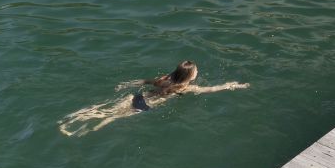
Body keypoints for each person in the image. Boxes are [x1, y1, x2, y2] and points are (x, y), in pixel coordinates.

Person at [58, 61, 249, 136]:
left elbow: (145, 80)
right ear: (190, 77)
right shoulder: (186, 88)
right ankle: (82, 130)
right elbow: (212, 89)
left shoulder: (164, 79)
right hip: (146, 106)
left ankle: (79, 115)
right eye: (196, 72)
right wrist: (232, 85)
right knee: (112, 117)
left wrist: (126, 84)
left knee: (104, 107)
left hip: (138, 96)